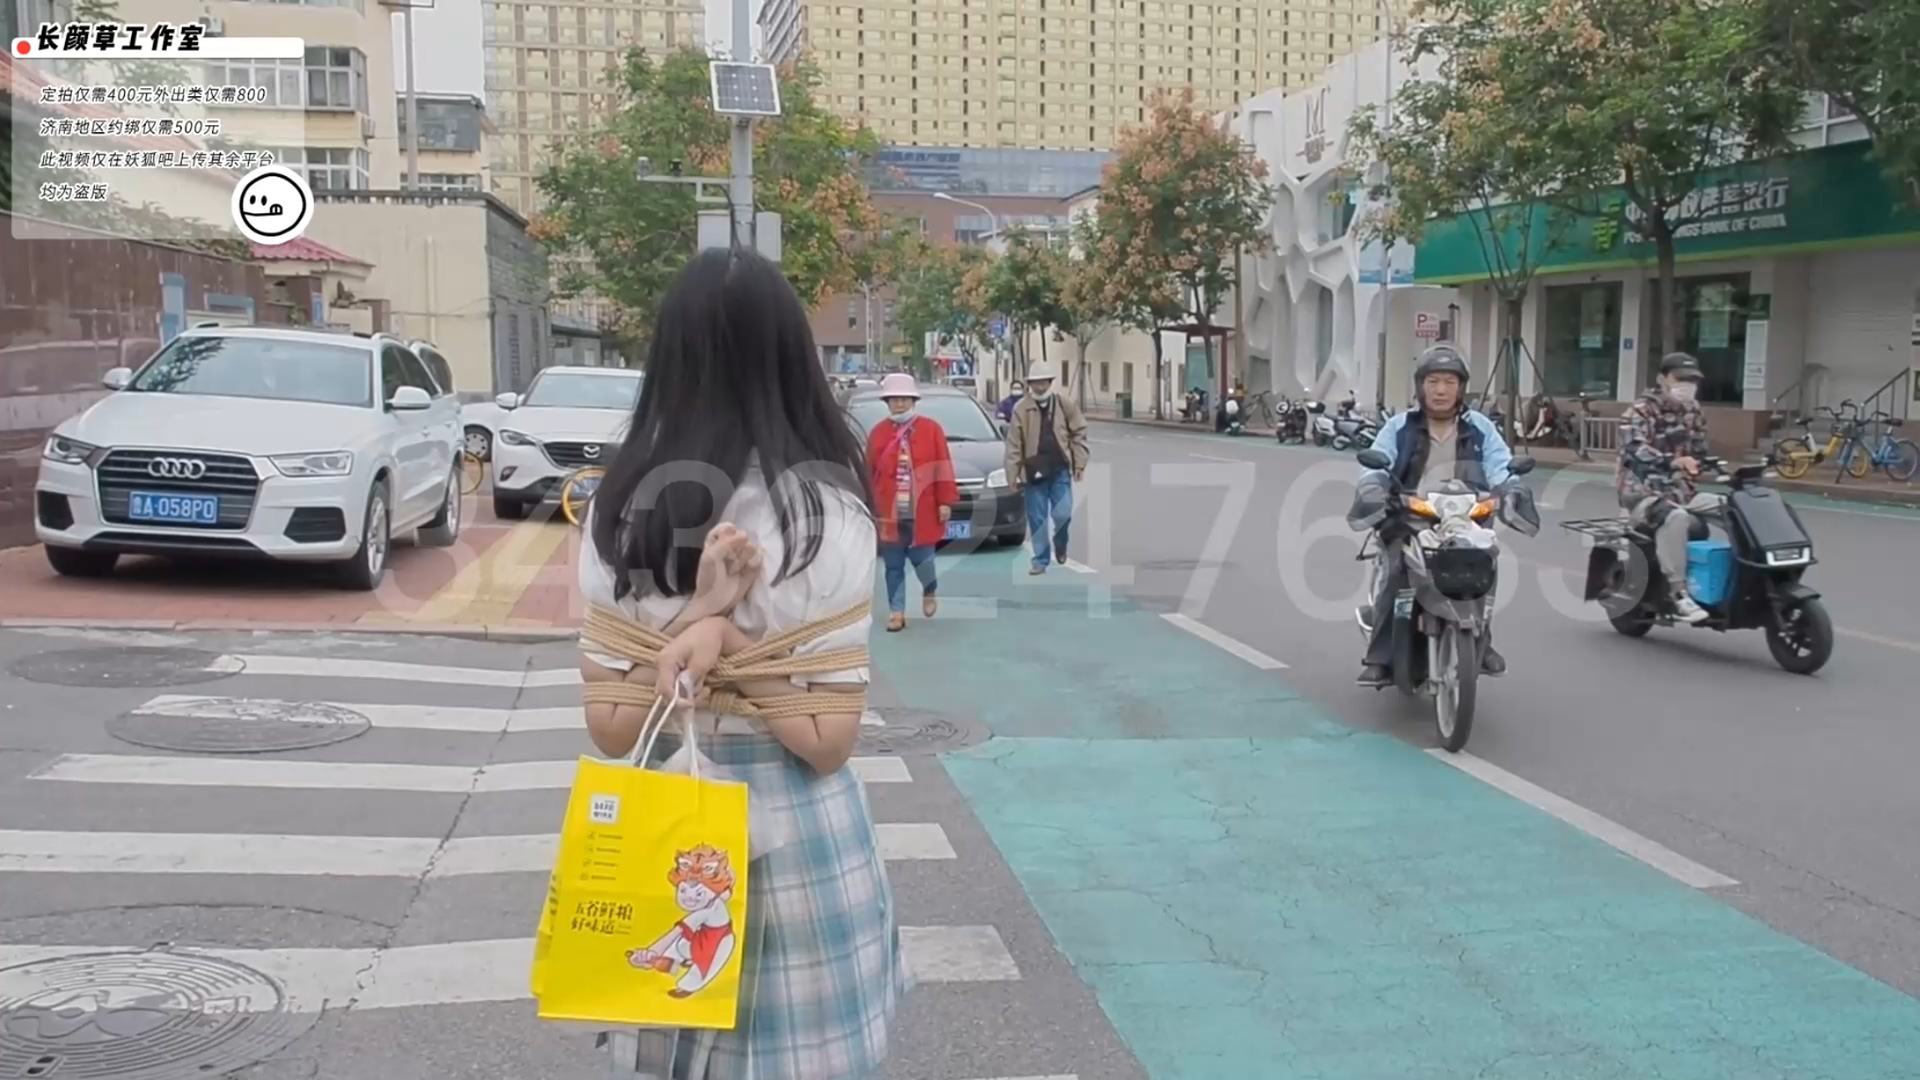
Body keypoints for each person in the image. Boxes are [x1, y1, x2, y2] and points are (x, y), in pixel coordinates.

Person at [575, 248, 903, 1080]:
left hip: (665, 829)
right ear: (792, 358)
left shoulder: (620, 510)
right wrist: (719, 625)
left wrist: (705, 624)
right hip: (798, 848)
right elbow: (826, 744)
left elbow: (612, 730)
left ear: (669, 359)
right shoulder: (826, 514)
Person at [1353, 344, 1515, 687]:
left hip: (1467, 517)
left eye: (1450, 382)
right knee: (1397, 571)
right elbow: (1377, 463)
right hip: (1410, 516)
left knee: (1484, 567)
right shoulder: (1399, 426)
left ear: (1461, 388)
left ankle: (1481, 642)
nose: (1441, 390)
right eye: (1433, 381)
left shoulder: (1480, 427)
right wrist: (1373, 487)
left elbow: (1501, 466)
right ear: (1420, 386)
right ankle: (1380, 657)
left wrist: (1512, 488)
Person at [1619, 352, 1717, 624]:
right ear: (1662, 379)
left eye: (1692, 380)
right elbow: (1635, 451)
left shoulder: (1693, 410)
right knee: (1675, 517)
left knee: (1733, 506)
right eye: (1680, 379)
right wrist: (1673, 461)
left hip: (1684, 491)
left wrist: (1707, 465)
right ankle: (1678, 593)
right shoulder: (1639, 411)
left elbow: (1699, 449)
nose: (1687, 386)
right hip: (1643, 493)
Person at [864, 372, 959, 632]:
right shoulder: (878, 433)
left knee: (924, 562)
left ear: (913, 400)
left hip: (922, 511)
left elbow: (943, 466)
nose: (899, 404)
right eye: (894, 399)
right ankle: (897, 612)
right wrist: (869, 505)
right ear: (887, 402)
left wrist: (945, 501)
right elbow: (868, 472)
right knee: (893, 566)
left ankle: (930, 588)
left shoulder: (931, 429)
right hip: (889, 513)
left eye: (904, 399)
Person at [1004, 361, 1089, 575]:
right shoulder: (1021, 409)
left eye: (1043, 382)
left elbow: (1079, 432)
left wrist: (1079, 463)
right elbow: (1014, 444)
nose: (1040, 386)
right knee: (1037, 518)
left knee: (1063, 513)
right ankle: (1040, 560)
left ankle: (1061, 543)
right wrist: (1012, 473)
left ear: (1050, 382)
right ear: (1029, 384)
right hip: (1033, 472)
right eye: (1035, 382)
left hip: (1060, 469)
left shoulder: (1064, 404)